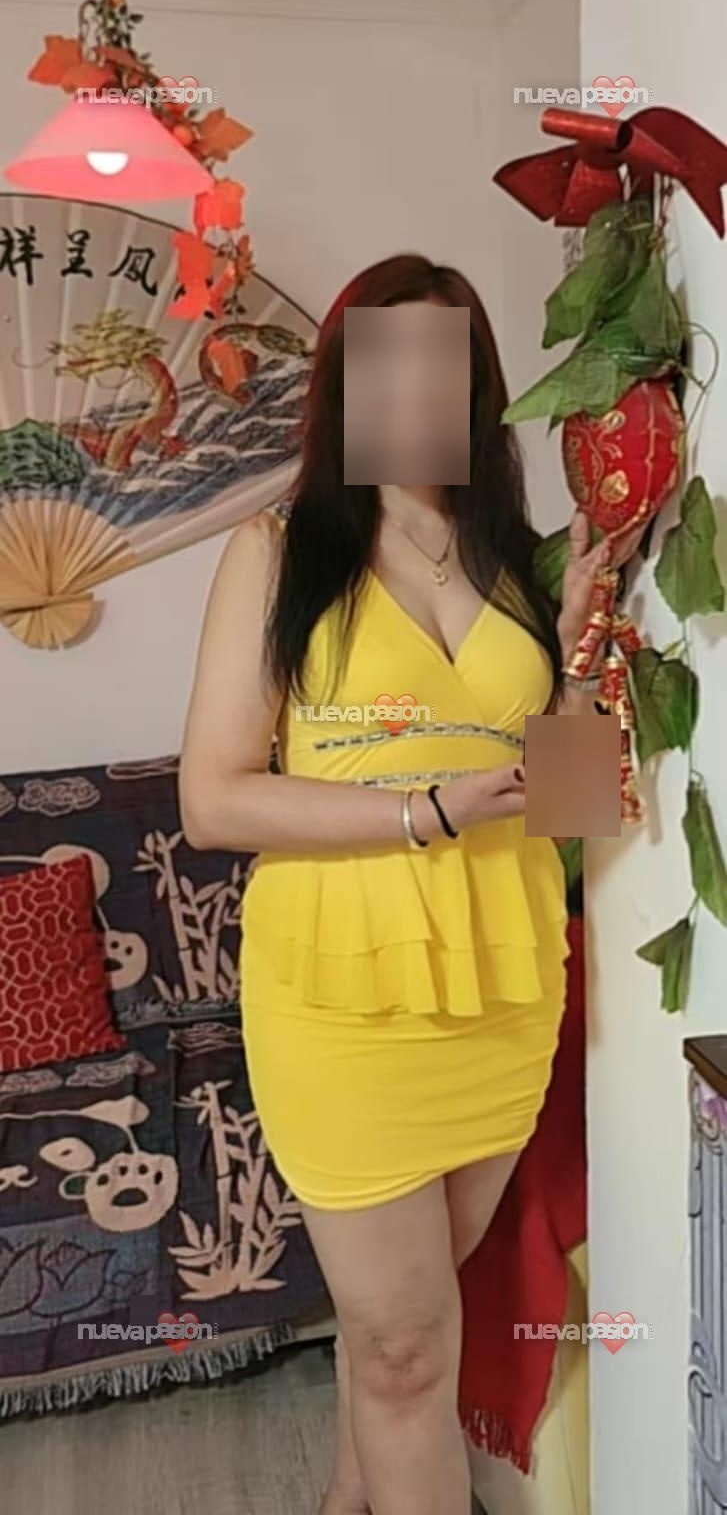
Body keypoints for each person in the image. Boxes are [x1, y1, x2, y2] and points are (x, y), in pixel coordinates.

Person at [179, 254, 642, 1515]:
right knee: (403, 1348)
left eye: (444, 365)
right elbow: (213, 799)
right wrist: (422, 810)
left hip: (502, 982)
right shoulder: (279, 552)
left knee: (402, 1327)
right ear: (341, 386)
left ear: (480, 388)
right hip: (341, 992)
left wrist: (575, 663)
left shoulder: (512, 562)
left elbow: (567, 808)